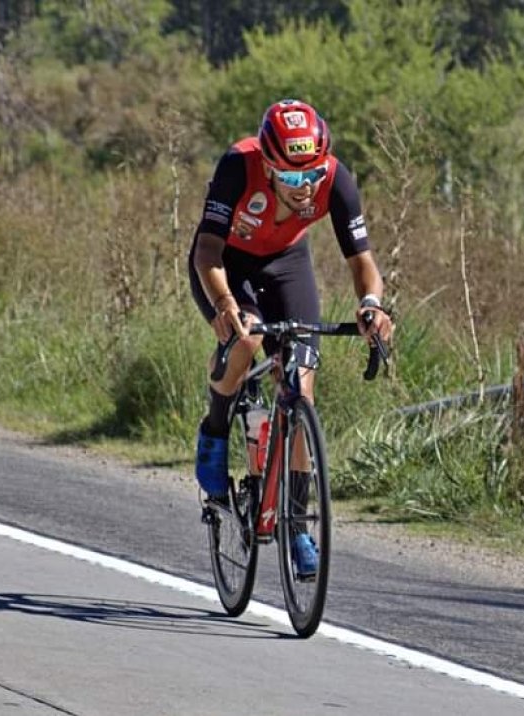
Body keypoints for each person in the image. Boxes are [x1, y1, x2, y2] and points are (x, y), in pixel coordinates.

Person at [188, 99, 394, 573]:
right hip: (227, 264)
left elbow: (363, 263)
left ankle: (297, 525)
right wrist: (224, 306)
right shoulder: (238, 166)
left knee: (300, 383)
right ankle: (214, 433)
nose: (306, 190)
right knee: (246, 339)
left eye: (313, 176)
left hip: (286, 262)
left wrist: (370, 306)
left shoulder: (336, 179)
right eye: (292, 179)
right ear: (268, 165)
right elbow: (206, 251)